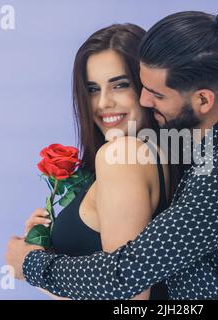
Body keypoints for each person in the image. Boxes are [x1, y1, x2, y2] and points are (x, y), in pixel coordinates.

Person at [6, 10, 218, 300]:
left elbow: (124, 279)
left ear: (203, 100)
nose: (145, 100)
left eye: (156, 94)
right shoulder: (201, 144)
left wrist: (29, 263)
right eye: (142, 87)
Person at [21, 23, 184, 300]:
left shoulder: (120, 158)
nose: (103, 103)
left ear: (148, 87)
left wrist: (31, 266)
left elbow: (127, 299)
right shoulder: (169, 151)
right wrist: (46, 245)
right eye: (92, 89)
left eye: (120, 85)